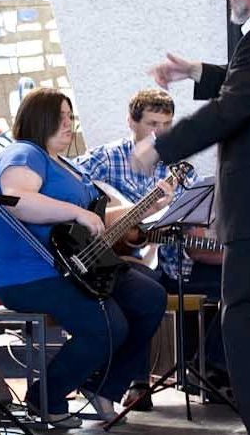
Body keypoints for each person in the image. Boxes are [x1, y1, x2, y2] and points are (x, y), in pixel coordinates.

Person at [136, 0, 250, 435]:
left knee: (245, 320)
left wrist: (160, 147)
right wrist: (197, 72)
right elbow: (248, 87)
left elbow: (234, 109)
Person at [0, 88, 169, 427]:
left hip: (78, 266)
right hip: (29, 272)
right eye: (59, 117)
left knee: (149, 297)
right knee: (108, 325)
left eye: (70, 116)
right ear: (37, 119)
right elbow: (16, 198)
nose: (68, 123)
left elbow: (95, 219)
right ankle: (46, 396)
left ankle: (104, 386)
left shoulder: (69, 166)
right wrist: (78, 212)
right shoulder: (24, 153)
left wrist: (150, 205)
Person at [75, 87, 207, 409]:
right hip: (118, 261)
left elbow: (195, 214)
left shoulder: (178, 166)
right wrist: (118, 219)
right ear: (131, 122)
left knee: (240, 279)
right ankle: (135, 383)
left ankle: (212, 369)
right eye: (152, 124)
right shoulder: (107, 158)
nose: (160, 132)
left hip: (173, 259)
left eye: (167, 125)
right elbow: (70, 189)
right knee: (141, 286)